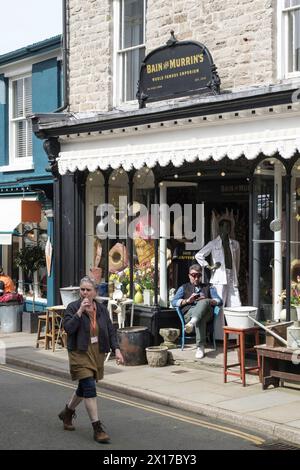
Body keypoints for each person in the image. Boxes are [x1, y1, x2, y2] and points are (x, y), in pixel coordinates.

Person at [59, 276, 124, 443]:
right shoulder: (73, 307)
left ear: (95, 291)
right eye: (82, 289)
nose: (85, 293)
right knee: (89, 386)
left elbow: (110, 330)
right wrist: (80, 312)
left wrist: (116, 349)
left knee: (84, 386)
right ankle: (97, 428)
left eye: (88, 290)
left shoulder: (101, 309)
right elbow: (68, 328)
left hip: (97, 351)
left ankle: (67, 413)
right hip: (79, 352)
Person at [195, 219, 241, 339]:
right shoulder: (213, 243)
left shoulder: (235, 244)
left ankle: (235, 336)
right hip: (219, 277)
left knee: (236, 304)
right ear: (220, 228)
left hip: (232, 275)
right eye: (225, 227)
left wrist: (236, 274)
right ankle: (219, 337)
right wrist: (208, 266)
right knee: (220, 305)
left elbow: (237, 261)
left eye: (229, 227)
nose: (227, 229)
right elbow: (199, 255)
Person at [171, 264, 222, 359]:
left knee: (204, 302)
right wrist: (187, 301)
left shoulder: (209, 287)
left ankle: (193, 323)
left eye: (198, 275)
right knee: (200, 318)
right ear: (189, 275)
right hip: (189, 313)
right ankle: (200, 347)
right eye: (193, 275)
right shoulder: (184, 287)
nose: (196, 278)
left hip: (207, 314)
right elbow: (173, 302)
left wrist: (208, 300)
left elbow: (220, 301)